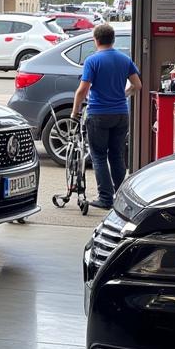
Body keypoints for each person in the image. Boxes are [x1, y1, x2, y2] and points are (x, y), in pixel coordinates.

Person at [70, 23, 142, 211]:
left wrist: (74, 113)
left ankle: (105, 198)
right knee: (117, 155)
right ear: (113, 39)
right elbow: (137, 85)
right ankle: (120, 197)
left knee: (99, 156)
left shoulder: (93, 61)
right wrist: (123, 95)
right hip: (121, 114)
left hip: (99, 114)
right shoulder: (124, 59)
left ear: (96, 40)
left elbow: (82, 90)